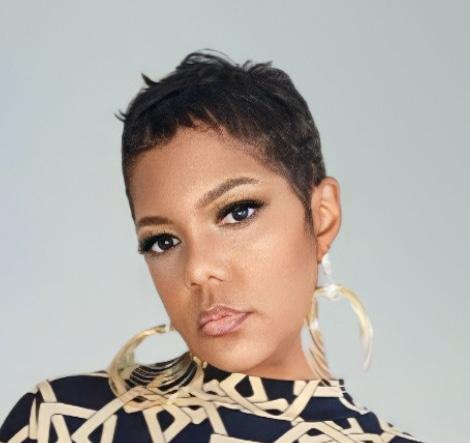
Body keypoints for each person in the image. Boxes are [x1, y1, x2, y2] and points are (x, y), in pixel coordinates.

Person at [0, 49, 426, 443]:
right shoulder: (61, 421)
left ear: (322, 217)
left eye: (238, 212)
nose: (197, 269)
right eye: (163, 241)